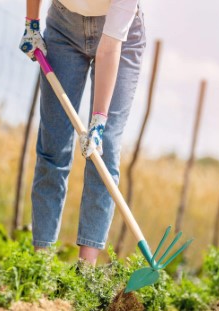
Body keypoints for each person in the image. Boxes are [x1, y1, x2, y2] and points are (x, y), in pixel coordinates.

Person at [19, 0, 146, 265]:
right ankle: (41, 264)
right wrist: (31, 24)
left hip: (119, 39)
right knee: (53, 146)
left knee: (104, 149)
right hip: (63, 28)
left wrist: (98, 120)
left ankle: (85, 271)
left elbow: (110, 48)